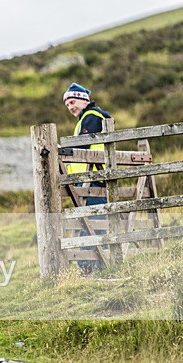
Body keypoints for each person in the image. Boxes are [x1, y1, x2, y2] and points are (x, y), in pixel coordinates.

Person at [63, 82, 112, 275]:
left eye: (73, 102)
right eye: (67, 105)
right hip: (90, 181)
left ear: (84, 100)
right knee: (95, 223)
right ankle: (96, 267)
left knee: (91, 224)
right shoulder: (87, 118)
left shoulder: (91, 117)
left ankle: (89, 268)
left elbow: (81, 150)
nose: (70, 107)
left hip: (92, 181)